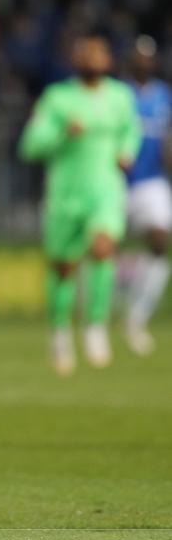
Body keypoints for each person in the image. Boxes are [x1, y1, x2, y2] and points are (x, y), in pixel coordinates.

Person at [19, 34, 142, 375]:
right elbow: (30, 145)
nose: (92, 58)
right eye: (85, 53)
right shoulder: (57, 99)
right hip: (65, 194)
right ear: (75, 61)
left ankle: (95, 326)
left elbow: (131, 130)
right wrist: (60, 133)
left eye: (98, 53)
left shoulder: (120, 96)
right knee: (63, 268)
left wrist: (126, 152)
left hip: (105, 189)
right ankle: (59, 333)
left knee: (103, 248)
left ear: (107, 60)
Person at [123, 35, 171, 356]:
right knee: (95, 248)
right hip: (114, 180)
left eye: (148, 57)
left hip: (152, 180)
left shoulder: (164, 96)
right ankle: (91, 318)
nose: (143, 62)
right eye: (138, 56)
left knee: (159, 240)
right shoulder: (117, 94)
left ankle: (136, 318)